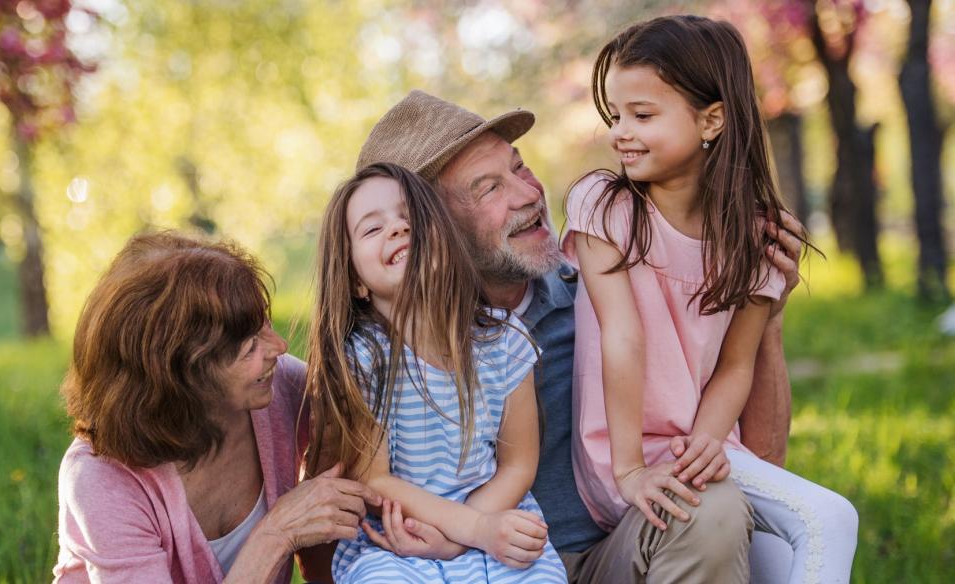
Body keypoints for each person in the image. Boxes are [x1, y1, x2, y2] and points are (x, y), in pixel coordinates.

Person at [353, 87, 807, 581]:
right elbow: (336, 515)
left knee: (707, 504)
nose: (530, 195)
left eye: (520, 167)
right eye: (489, 188)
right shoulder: (376, 356)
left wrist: (766, 318)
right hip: (469, 568)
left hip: (623, 554)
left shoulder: (610, 298)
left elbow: (765, 464)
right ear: (426, 228)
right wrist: (464, 533)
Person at [563, 15, 858, 583]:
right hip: (629, 460)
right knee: (830, 519)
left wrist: (704, 443)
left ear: (712, 118)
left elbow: (736, 364)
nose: (620, 131)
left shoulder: (757, 235)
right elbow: (622, 336)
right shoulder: (606, 205)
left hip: (705, 449)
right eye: (617, 115)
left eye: (642, 115)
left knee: (785, 563)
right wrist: (627, 470)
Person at [52, 231, 381, 583]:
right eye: (251, 345)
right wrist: (276, 534)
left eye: (265, 323)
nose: (280, 346)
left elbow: (373, 432)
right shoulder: (102, 478)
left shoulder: (274, 388)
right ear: (183, 379)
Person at [304, 162, 567, 582]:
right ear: (356, 279)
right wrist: (471, 530)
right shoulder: (364, 360)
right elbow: (377, 483)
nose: (397, 229)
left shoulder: (503, 342)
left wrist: (471, 534)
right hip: (396, 541)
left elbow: (517, 466)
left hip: (495, 519)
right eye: (373, 230)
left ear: (443, 241)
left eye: (409, 219)